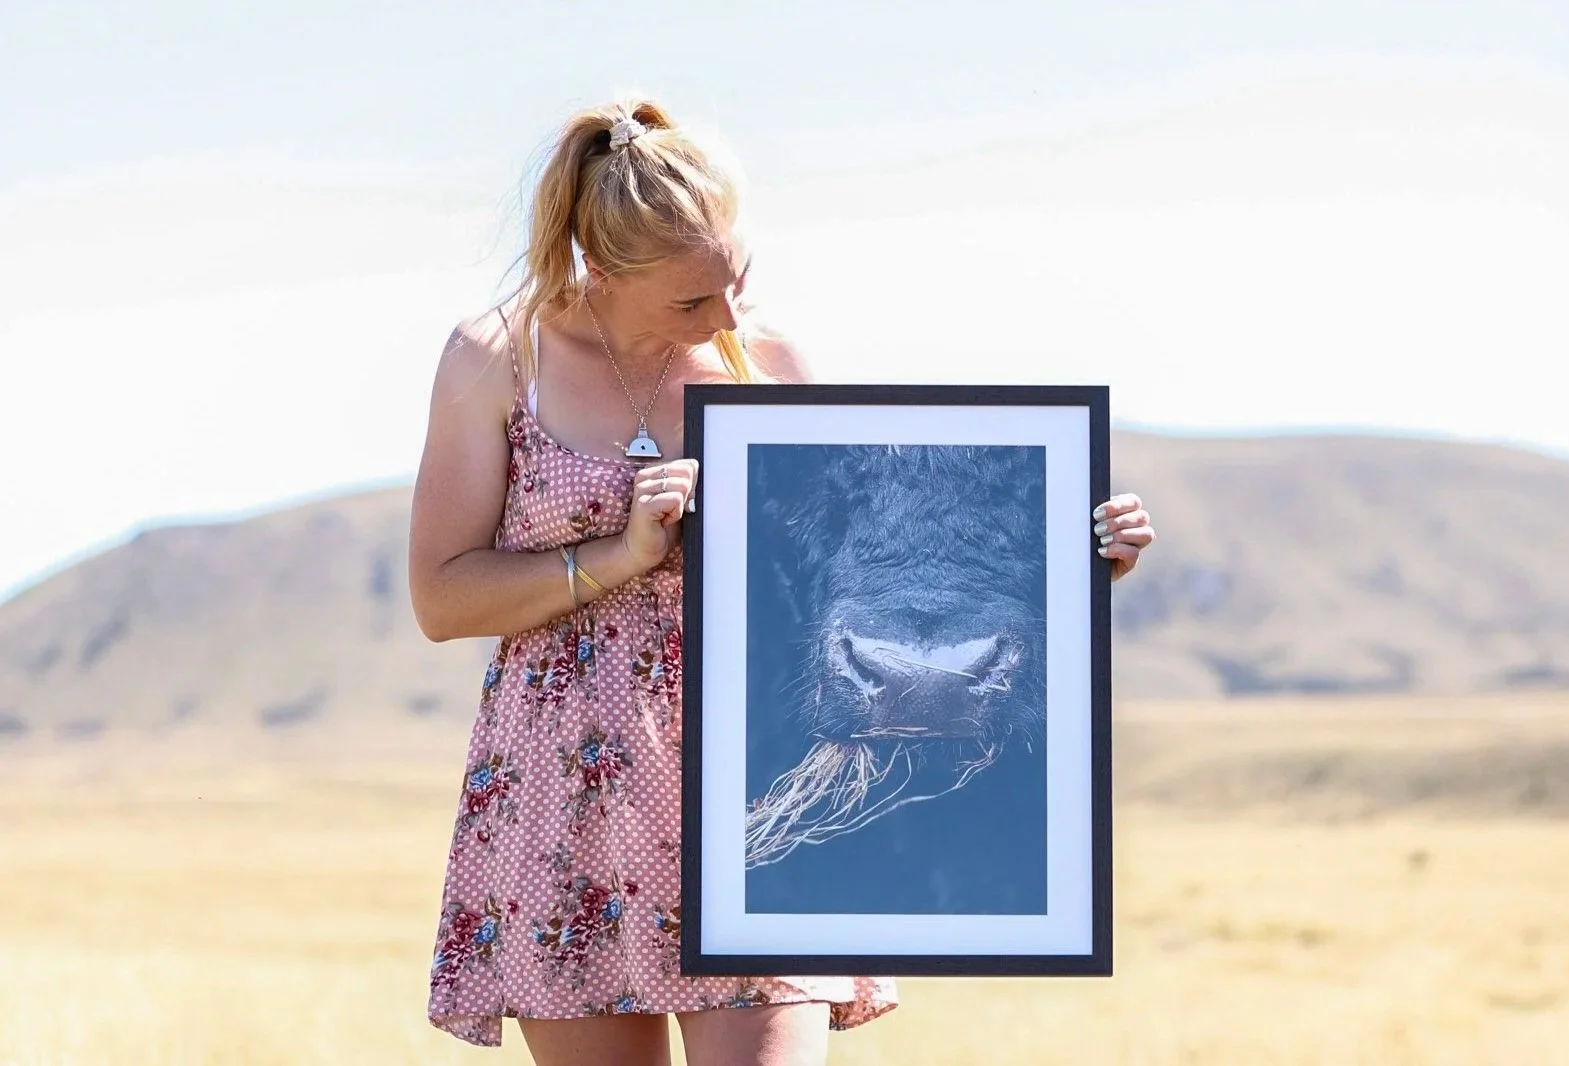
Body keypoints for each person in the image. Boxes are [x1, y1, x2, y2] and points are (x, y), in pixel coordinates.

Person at [406, 97, 1157, 1066]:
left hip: (766, 796)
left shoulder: (770, 363)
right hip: (568, 797)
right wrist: (617, 558)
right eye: (690, 302)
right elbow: (443, 597)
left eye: (738, 279)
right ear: (600, 266)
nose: (726, 318)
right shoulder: (497, 360)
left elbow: (858, 575)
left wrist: (1073, 562)